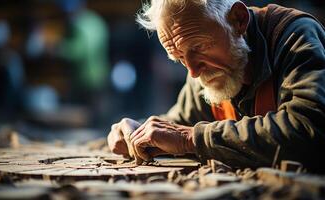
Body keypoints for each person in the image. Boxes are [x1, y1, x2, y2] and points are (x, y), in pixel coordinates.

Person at [107, 0, 325, 173]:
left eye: (199, 46)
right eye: (179, 58)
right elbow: (180, 124)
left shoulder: (294, 36)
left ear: (238, 20)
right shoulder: (204, 69)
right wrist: (139, 134)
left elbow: (308, 129)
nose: (192, 72)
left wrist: (191, 139)